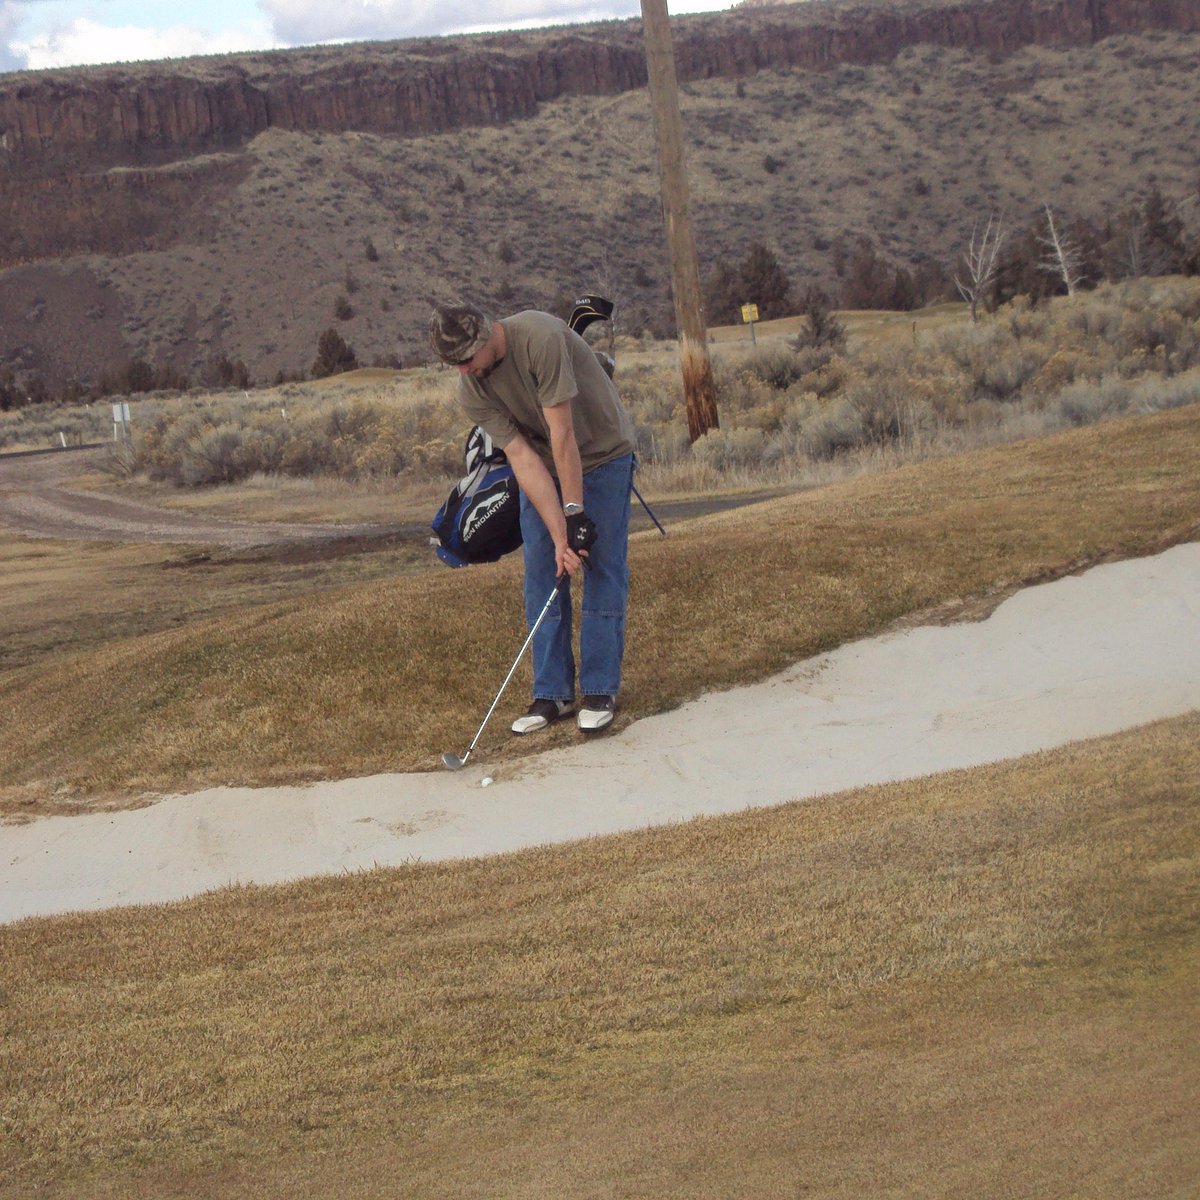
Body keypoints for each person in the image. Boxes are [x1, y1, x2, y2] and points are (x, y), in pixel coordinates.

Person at [429, 300, 637, 734]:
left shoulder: (539, 338)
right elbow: (523, 457)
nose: (463, 371)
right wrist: (560, 536)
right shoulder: (472, 388)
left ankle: (599, 688)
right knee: (543, 570)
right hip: (542, 465)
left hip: (602, 452)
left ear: (487, 335)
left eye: (466, 359)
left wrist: (575, 516)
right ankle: (553, 693)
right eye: (454, 364)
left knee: (603, 565)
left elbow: (564, 433)